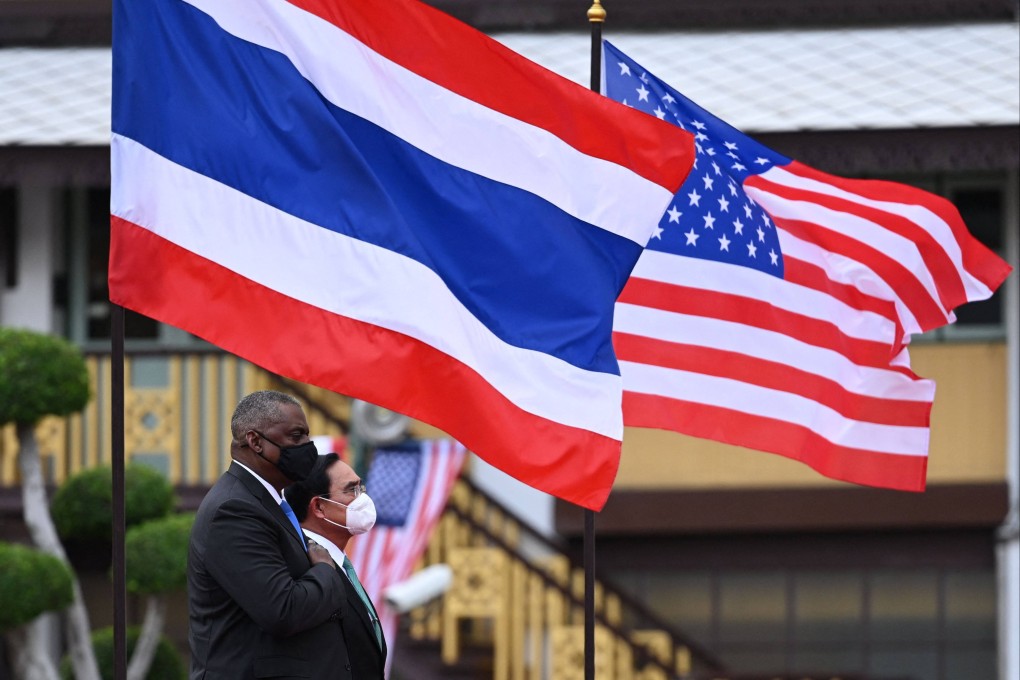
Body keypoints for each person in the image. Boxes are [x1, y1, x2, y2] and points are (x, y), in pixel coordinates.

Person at [187, 390, 352, 679]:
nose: (307, 446)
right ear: (255, 441)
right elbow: (284, 610)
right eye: (296, 436)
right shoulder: (234, 510)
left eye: (307, 436)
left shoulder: (268, 501)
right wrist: (326, 570)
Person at [286, 453, 387, 680]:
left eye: (362, 488)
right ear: (319, 507)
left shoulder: (338, 562)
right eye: (351, 490)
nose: (362, 499)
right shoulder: (301, 565)